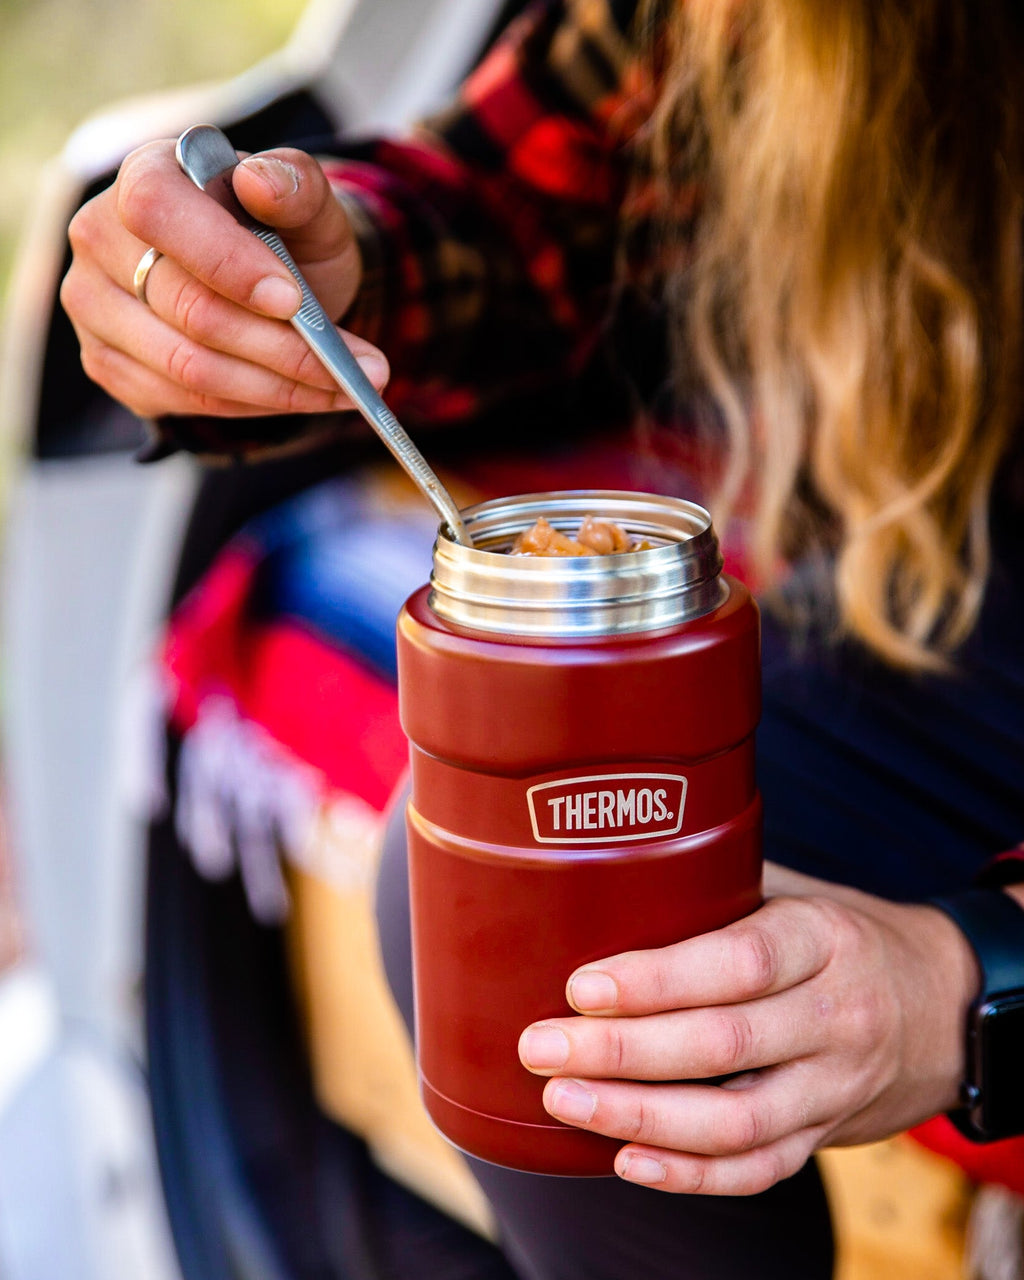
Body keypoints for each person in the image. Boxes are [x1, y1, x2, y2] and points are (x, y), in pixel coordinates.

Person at [60, 0, 1024, 1275]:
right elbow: (519, 207)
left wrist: (969, 981)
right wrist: (314, 270)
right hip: (964, 570)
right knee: (525, 901)